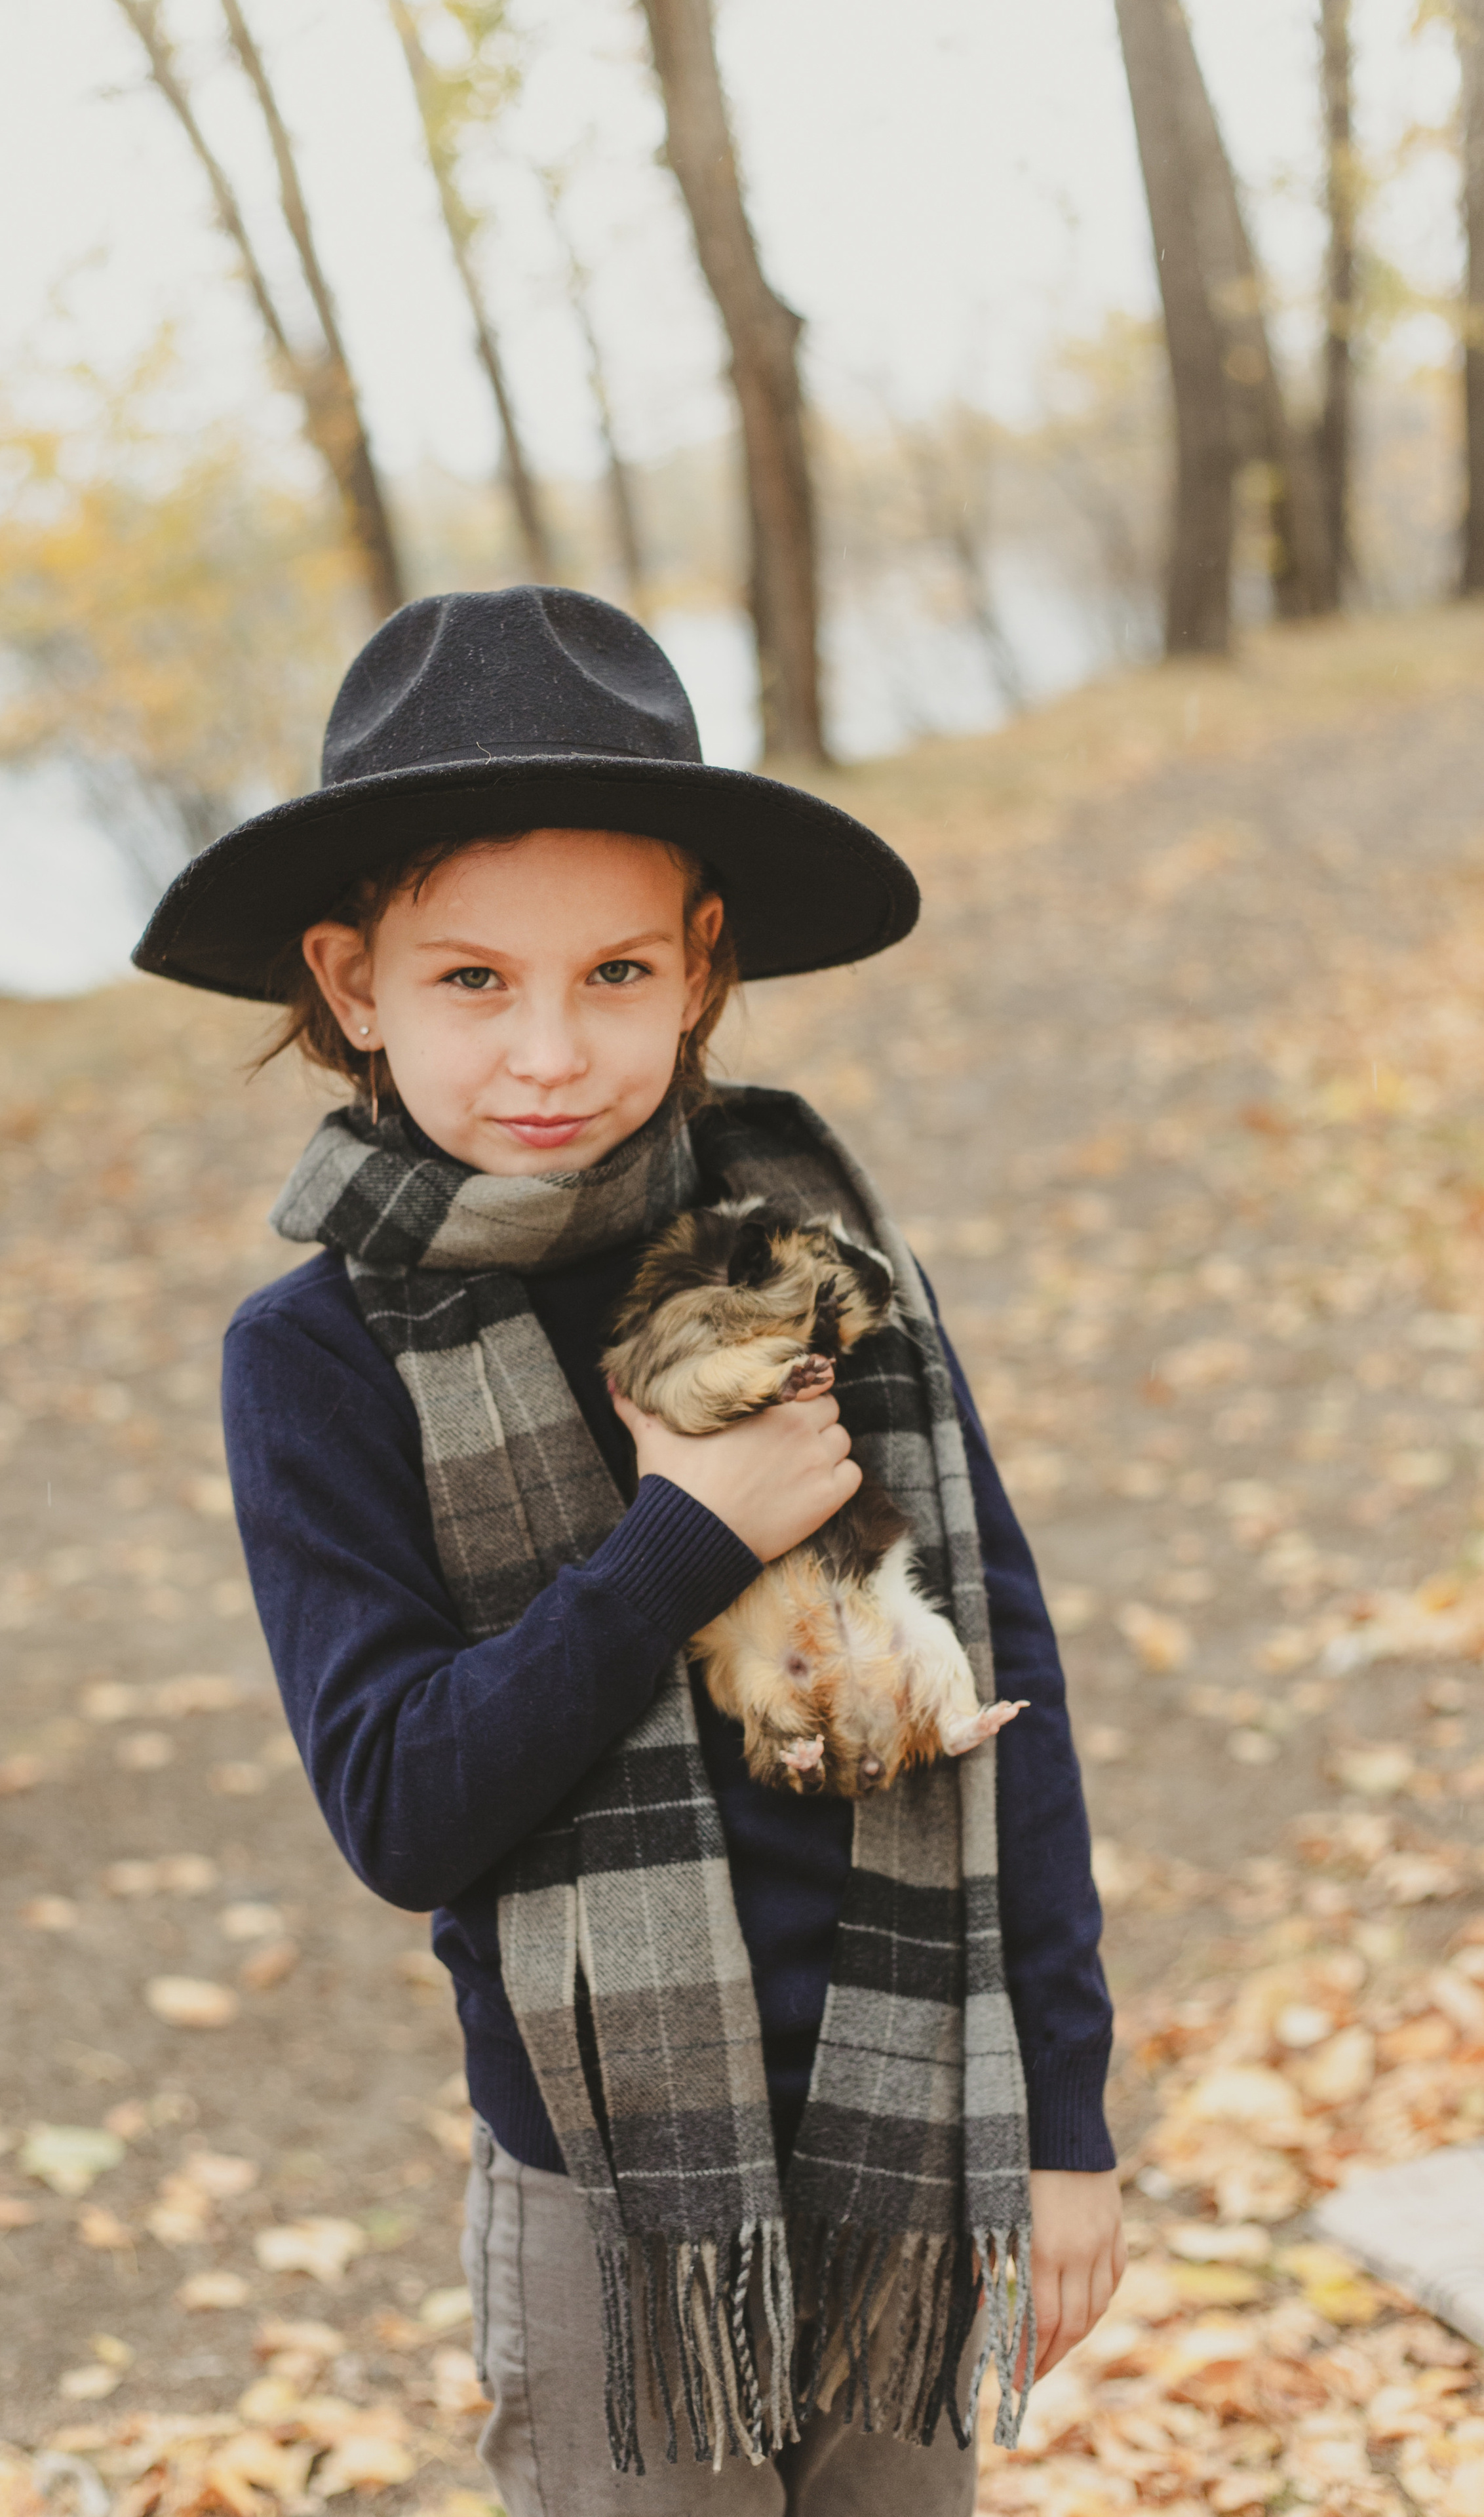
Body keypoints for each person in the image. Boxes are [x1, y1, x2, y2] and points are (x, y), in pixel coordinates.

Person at [134, 586, 1124, 2517]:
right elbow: (407, 1805)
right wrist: (682, 1535)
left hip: (900, 2113)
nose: (551, 1051)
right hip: (608, 2190)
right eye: (471, 981)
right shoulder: (320, 1356)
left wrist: (1067, 2120)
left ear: (699, 966)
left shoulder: (821, 1261)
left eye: (612, 973)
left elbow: (1012, 1682)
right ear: (352, 986)